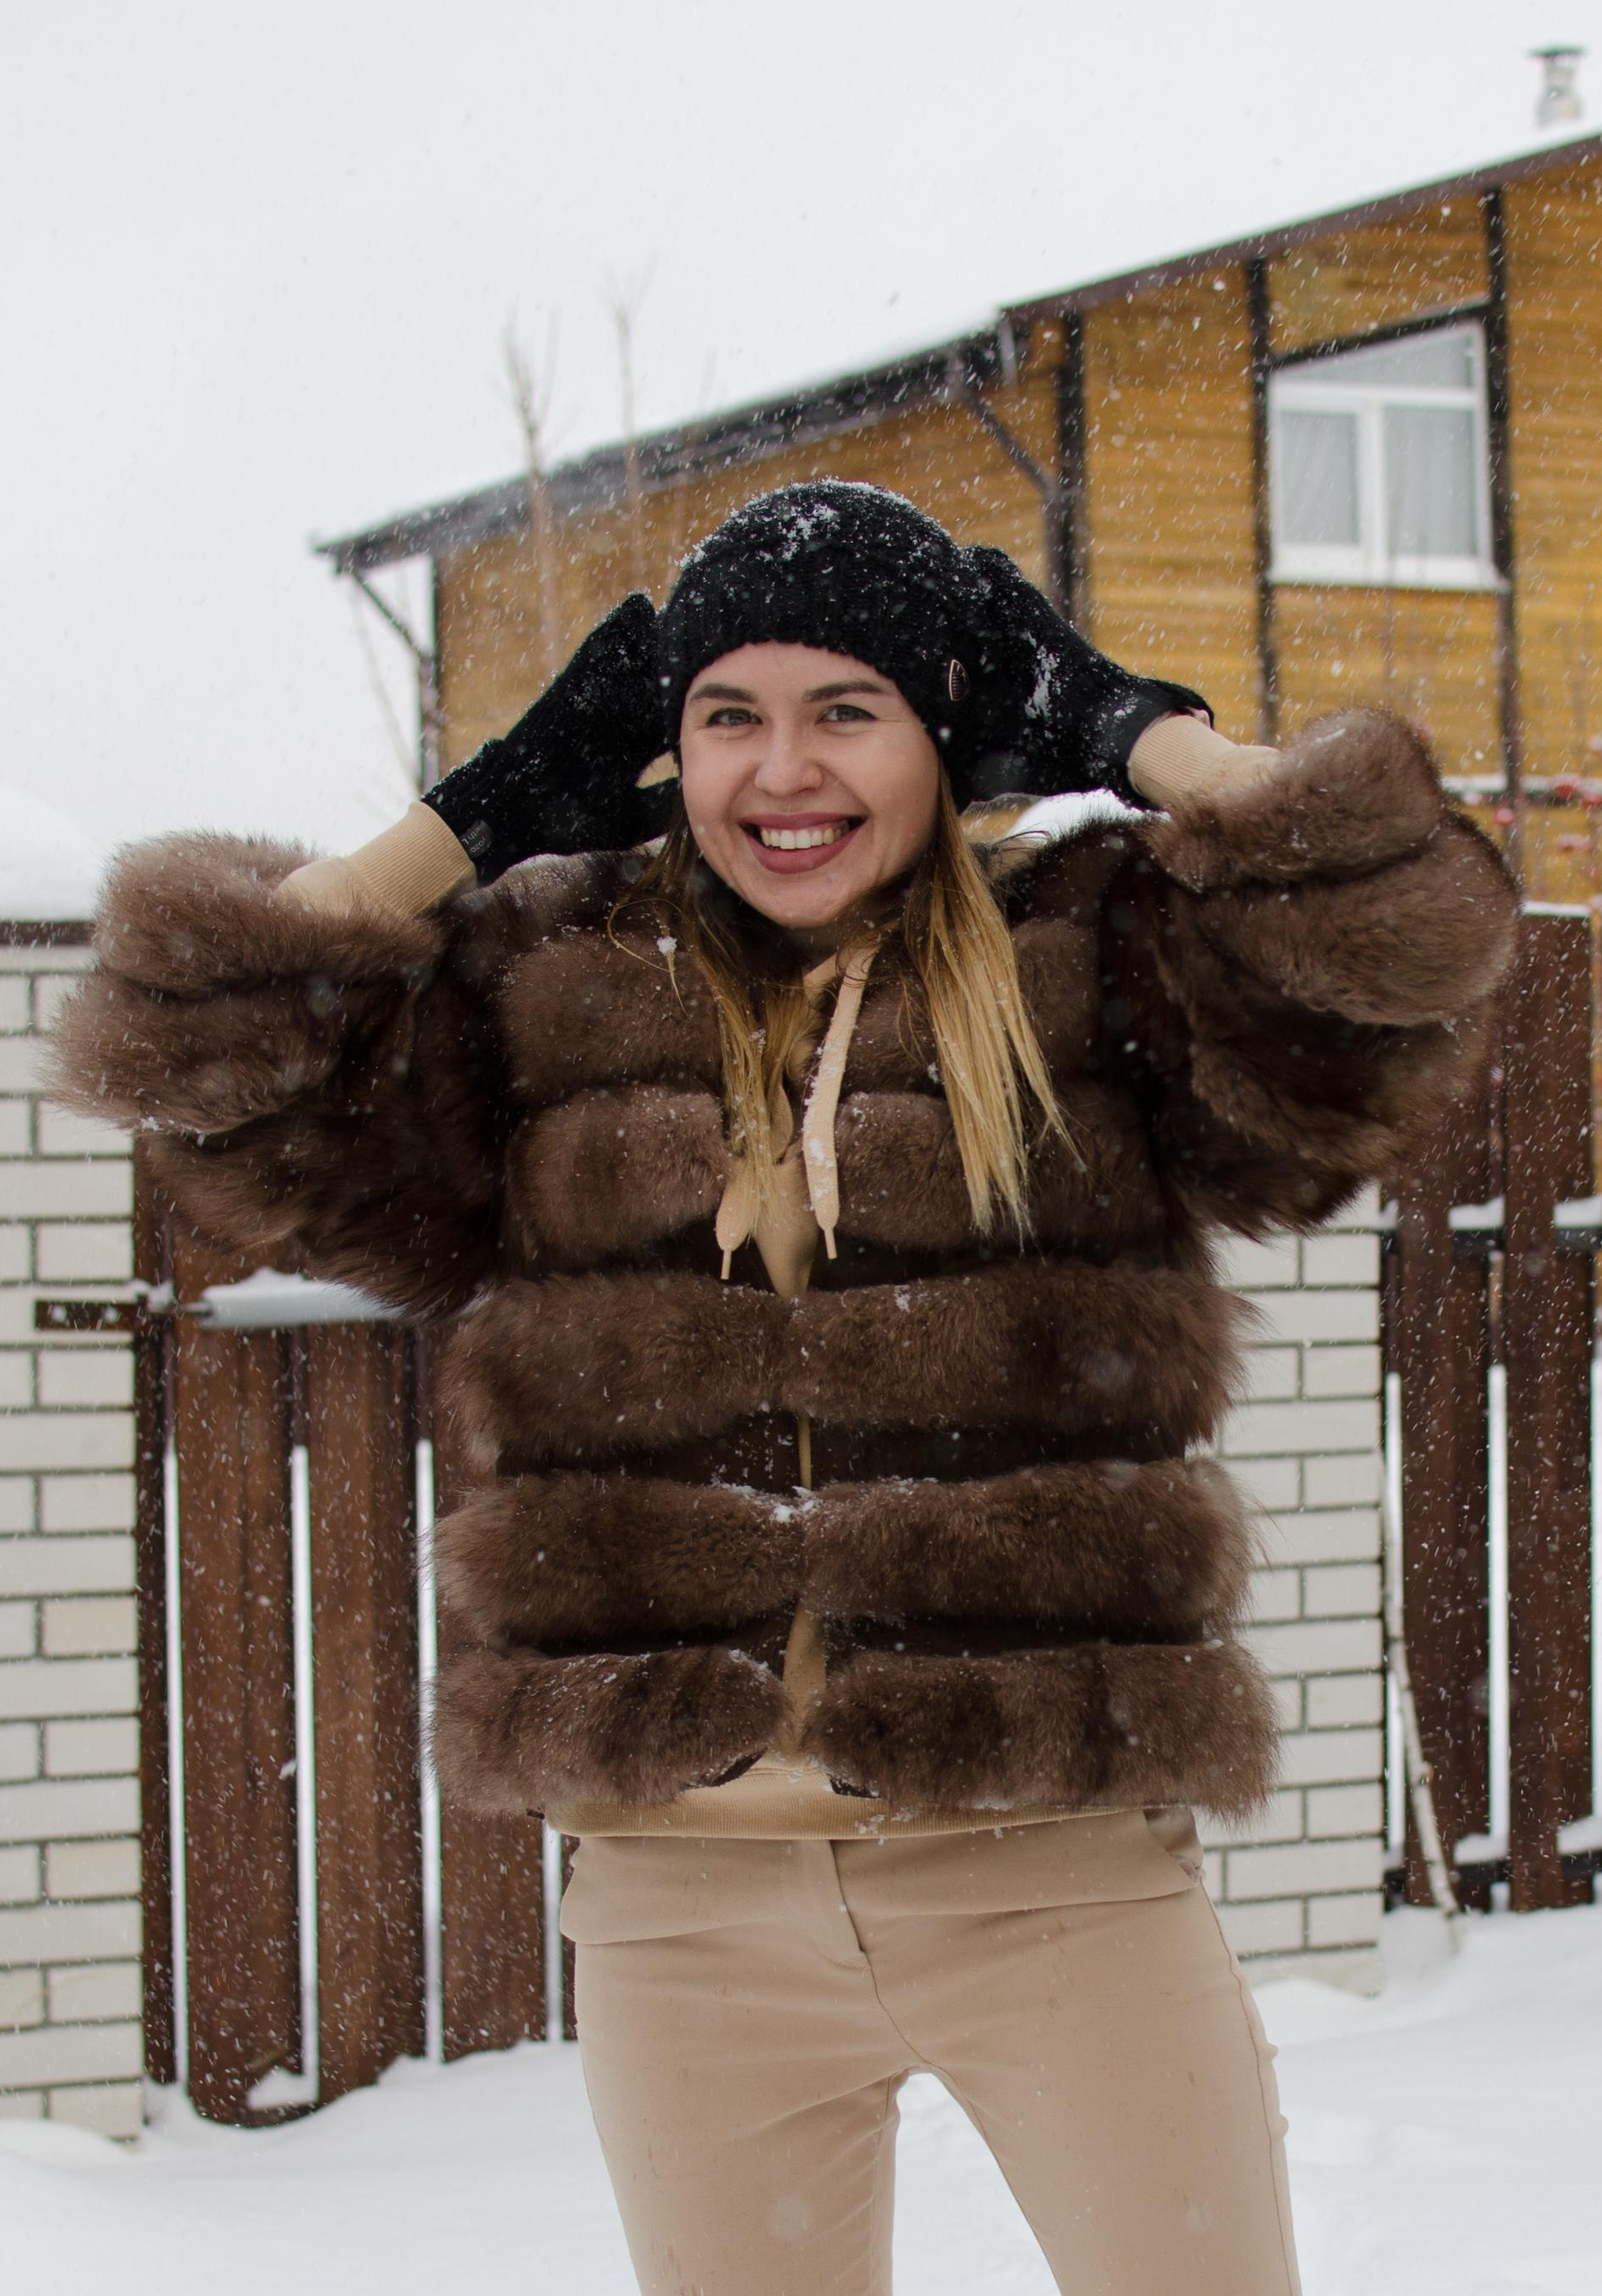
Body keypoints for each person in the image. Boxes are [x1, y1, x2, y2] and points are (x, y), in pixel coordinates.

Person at [55, 480, 1516, 2295]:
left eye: (847, 709)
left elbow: (1398, 950)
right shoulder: (545, 988)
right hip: (686, 1903)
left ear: (945, 732)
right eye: (725, 713)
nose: (782, 771)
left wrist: (1150, 740)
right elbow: (192, 1052)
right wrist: (469, 817)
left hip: (1048, 1870)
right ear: (662, 750)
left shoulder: (1096, 959)